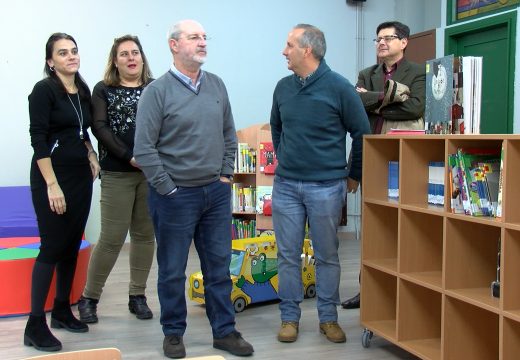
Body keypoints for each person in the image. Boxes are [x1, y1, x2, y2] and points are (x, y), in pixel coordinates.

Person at [133, 19, 254, 359]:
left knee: (218, 267)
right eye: (193, 37)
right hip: (174, 197)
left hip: (215, 194)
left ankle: (224, 332)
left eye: (204, 37)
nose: (202, 43)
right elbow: (144, 149)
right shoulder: (156, 92)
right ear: (174, 45)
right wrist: (168, 189)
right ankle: (173, 333)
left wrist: (226, 175)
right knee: (172, 270)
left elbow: (230, 135)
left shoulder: (216, 85)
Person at [270, 24, 371, 344]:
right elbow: (276, 127)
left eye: (289, 45)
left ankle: (328, 318)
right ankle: (289, 318)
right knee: (287, 255)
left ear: (307, 50)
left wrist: (354, 174)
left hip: (327, 186)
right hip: (286, 185)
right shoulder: (282, 88)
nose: (284, 51)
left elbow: (362, 133)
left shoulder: (340, 88)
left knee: (326, 255)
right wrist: (285, 157)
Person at [342, 20, 425, 310]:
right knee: (372, 227)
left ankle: (403, 291)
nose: (381, 43)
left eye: (388, 38)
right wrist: (389, 96)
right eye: (378, 39)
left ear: (404, 42)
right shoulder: (367, 73)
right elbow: (355, 104)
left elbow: (415, 107)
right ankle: (368, 291)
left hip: (403, 157)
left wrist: (373, 100)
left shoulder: (418, 72)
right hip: (371, 154)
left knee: (404, 225)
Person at [25, 32, 100, 352]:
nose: (71, 56)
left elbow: (81, 131)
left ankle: (60, 311)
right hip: (52, 178)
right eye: (63, 53)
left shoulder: (81, 89)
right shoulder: (43, 91)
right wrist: (52, 185)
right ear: (50, 61)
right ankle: (34, 324)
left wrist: (92, 154)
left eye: (74, 51)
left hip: (80, 176)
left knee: (70, 245)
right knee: (52, 246)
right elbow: (38, 139)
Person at [77, 35, 156, 324]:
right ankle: (89, 298)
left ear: (142, 58)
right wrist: (129, 156)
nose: (131, 58)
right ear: (115, 60)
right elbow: (99, 127)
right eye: (124, 54)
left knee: (145, 237)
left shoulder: (155, 88)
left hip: (151, 174)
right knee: (111, 239)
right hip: (117, 173)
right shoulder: (103, 90)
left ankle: (137, 296)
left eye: (136, 52)